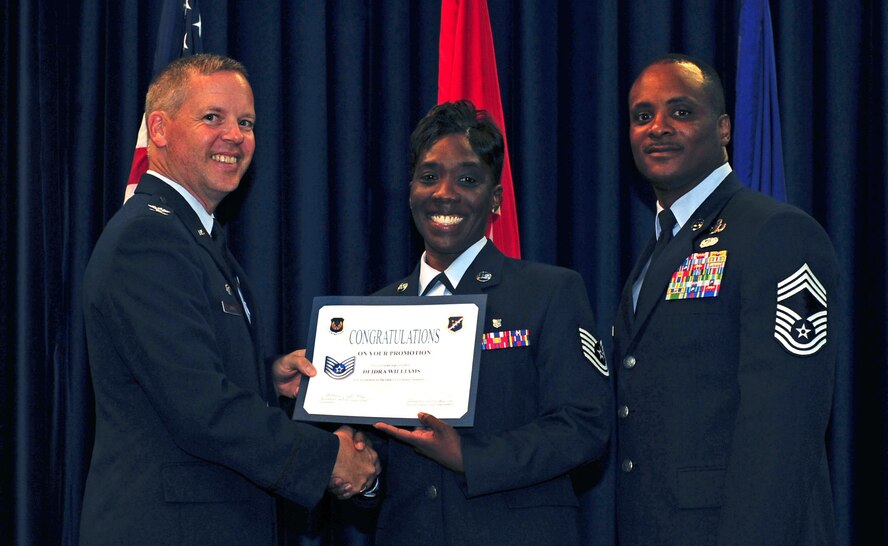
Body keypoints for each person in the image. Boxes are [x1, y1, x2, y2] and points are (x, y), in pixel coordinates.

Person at [80, 54, 379, 545]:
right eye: (212, 117)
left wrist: (266, 375)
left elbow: (174, 372)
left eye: (246, 122)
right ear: (159, 128)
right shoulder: (148, 241)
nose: (235, 136)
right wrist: (329, 459)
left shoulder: (192, 236)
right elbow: (203, 409)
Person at [613, 53, 838, 544]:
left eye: (681, 111)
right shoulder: (658, 247)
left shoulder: (776, 233)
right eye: (642, 115)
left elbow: (784, 426)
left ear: (724, 129)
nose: (658, 128)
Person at [370, 100, 612, 545]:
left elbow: (585, 425)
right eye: (428, 177)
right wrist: (358, 468)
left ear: (495, 199)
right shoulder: (377, 311)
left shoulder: (548, 292)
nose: (445, 192)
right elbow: (379, 454)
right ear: (410, 192)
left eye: (467, 179)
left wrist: (470, 456)